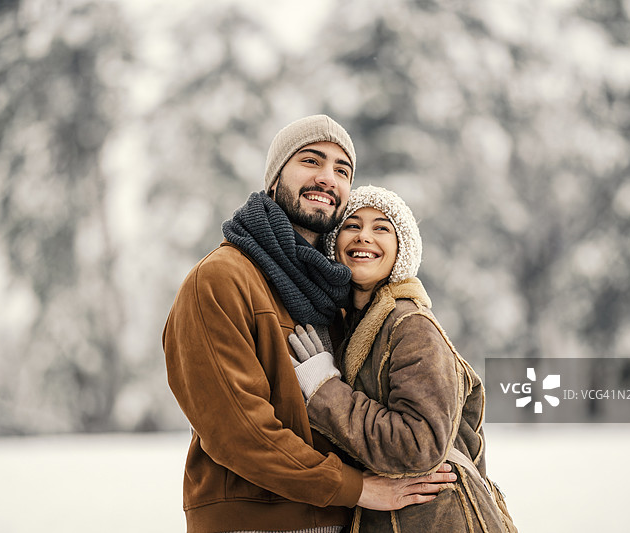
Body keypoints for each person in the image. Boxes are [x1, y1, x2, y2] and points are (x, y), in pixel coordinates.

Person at [162, 116, 457, 533]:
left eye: (342, 170)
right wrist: (356, 488)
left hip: (338, 521)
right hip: (253, 523)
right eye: (310, 161)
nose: (327, 178)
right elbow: (240, 434)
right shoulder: (220, 280)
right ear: (274, 178)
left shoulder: (338, 296)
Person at [288, 185, 519, 532]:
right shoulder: (357, 325)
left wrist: (324, 391)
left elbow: (418, 444)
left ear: (402, 250)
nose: (364, 236)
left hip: (442, 519)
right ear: (334, 244)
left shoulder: (411, 325)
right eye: (352, 225)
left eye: (381, 227)